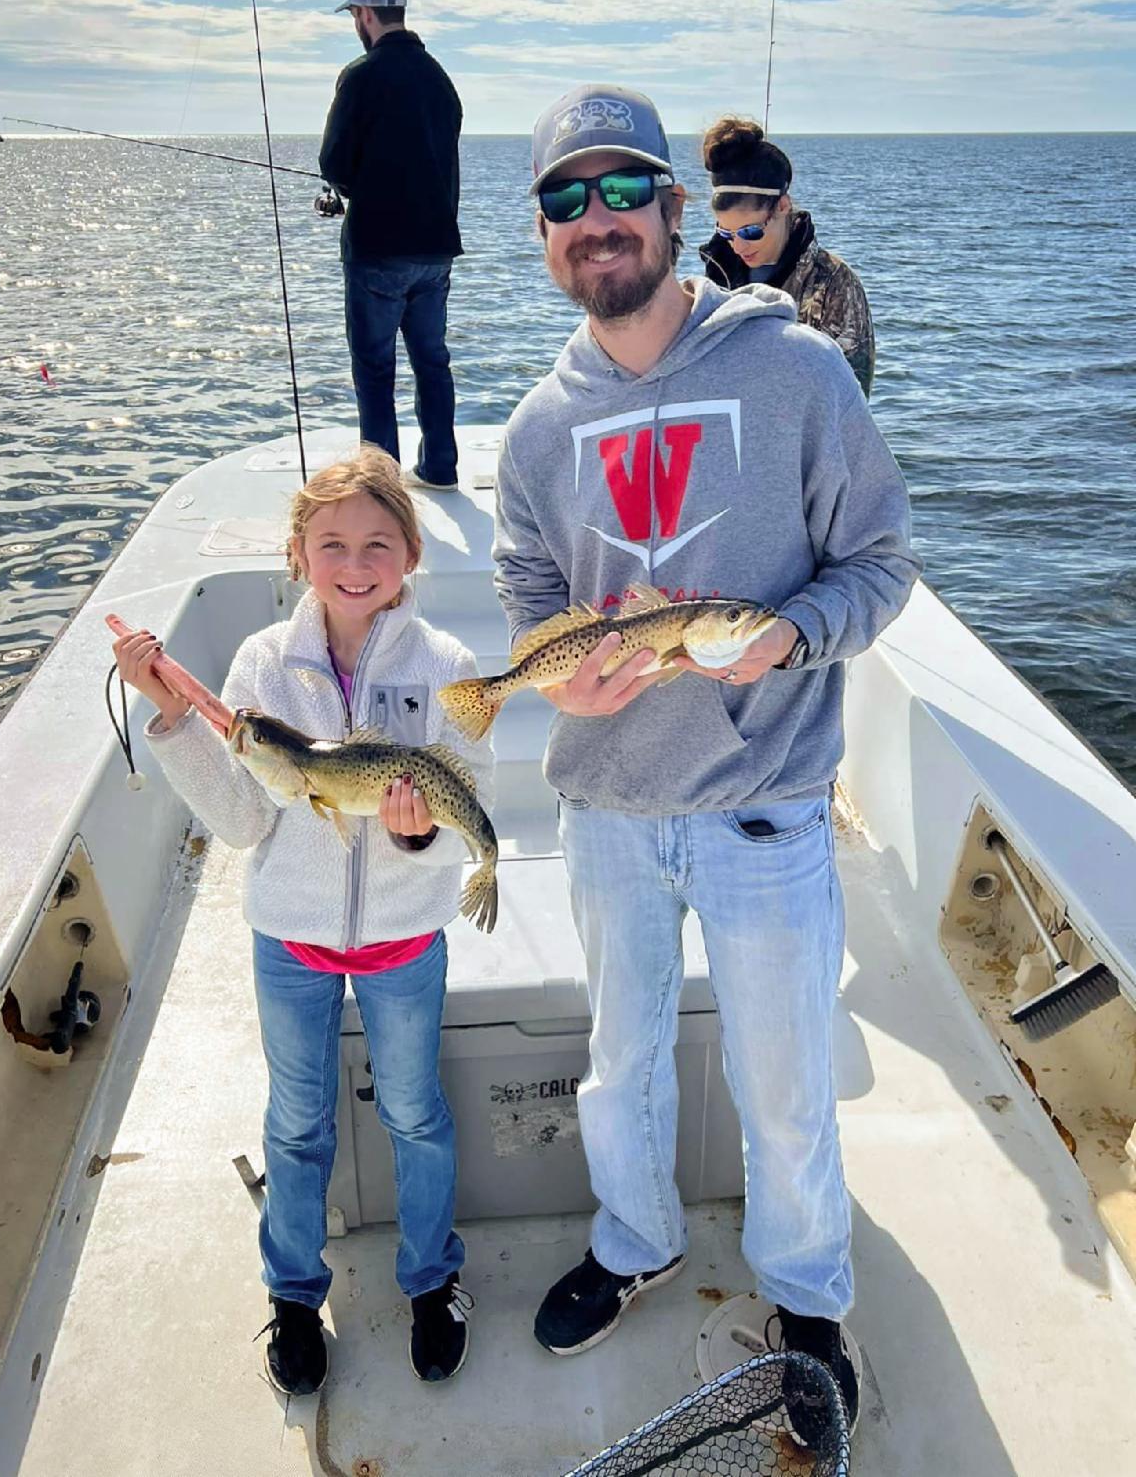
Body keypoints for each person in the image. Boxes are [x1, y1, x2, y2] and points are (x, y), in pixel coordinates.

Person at [493, 83, 919, 1438]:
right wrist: (559, 665)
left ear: (678, 210)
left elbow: (881, 563)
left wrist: (788, 636)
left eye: (625, 188)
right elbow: (529, 589)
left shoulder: (798, 370)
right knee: (617, 1063)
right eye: (566, 198)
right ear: (542, 234)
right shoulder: (535, 428)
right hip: (607, 807)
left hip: (763, 806)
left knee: (785, 1080)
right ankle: (636, 1240)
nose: (598, 218)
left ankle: (807, 1301)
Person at [113, 448, 492, 1395]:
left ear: (410, 555)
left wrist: (418, 836)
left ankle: (432, 1281)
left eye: (377, 544)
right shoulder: (260, 665)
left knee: (416, 1114)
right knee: (294, 1125)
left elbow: (465, 800)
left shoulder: (446, 666)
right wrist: (172, 717)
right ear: (297, 554)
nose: (354, 563)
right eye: (331, 544)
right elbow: (246, 818)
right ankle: (291, 1293)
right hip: (291, 941)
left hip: (406, 941)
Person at [319, 0, 463, 489]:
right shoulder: (440, 79)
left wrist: (349, 188)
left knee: (375, 370)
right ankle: (440, 467)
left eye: (354, 16)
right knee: (432, 361)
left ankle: (381, 484)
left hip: (378, 250)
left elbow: (334, 162)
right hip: (436, 251)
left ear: (364, 15)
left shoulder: (360, 75)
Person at [698, 117, 876, 398]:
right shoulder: (713, 282)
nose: (738, 247)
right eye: (726, 233)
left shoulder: (834, 283)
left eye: (750, 231)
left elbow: (852, 398)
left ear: (782, 206)